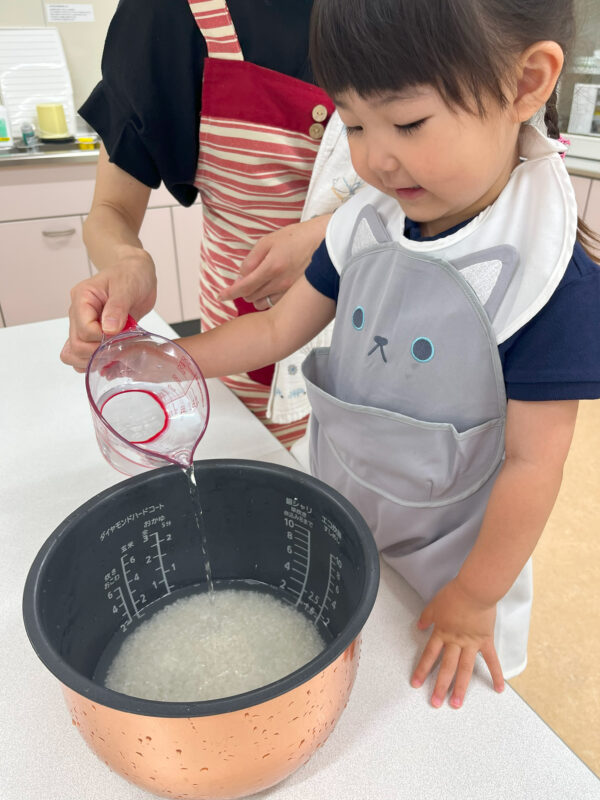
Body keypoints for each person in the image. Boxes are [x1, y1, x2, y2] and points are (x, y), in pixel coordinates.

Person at [102, 0, 600, 708]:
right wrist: (162, 357)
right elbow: (275, 333)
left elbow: (533, 464)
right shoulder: (371, 221)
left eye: (407, 123)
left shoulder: (547, 278)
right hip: (352, 528)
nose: (374, 157)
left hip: (452, 581)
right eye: (355, 124)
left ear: (525, 84)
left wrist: (475, 597)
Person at [59, 0, 361, 448]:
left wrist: (330, 235)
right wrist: (128, 264)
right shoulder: (164, 16)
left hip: (384, 363)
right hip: (246, 354)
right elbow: (111, 210)